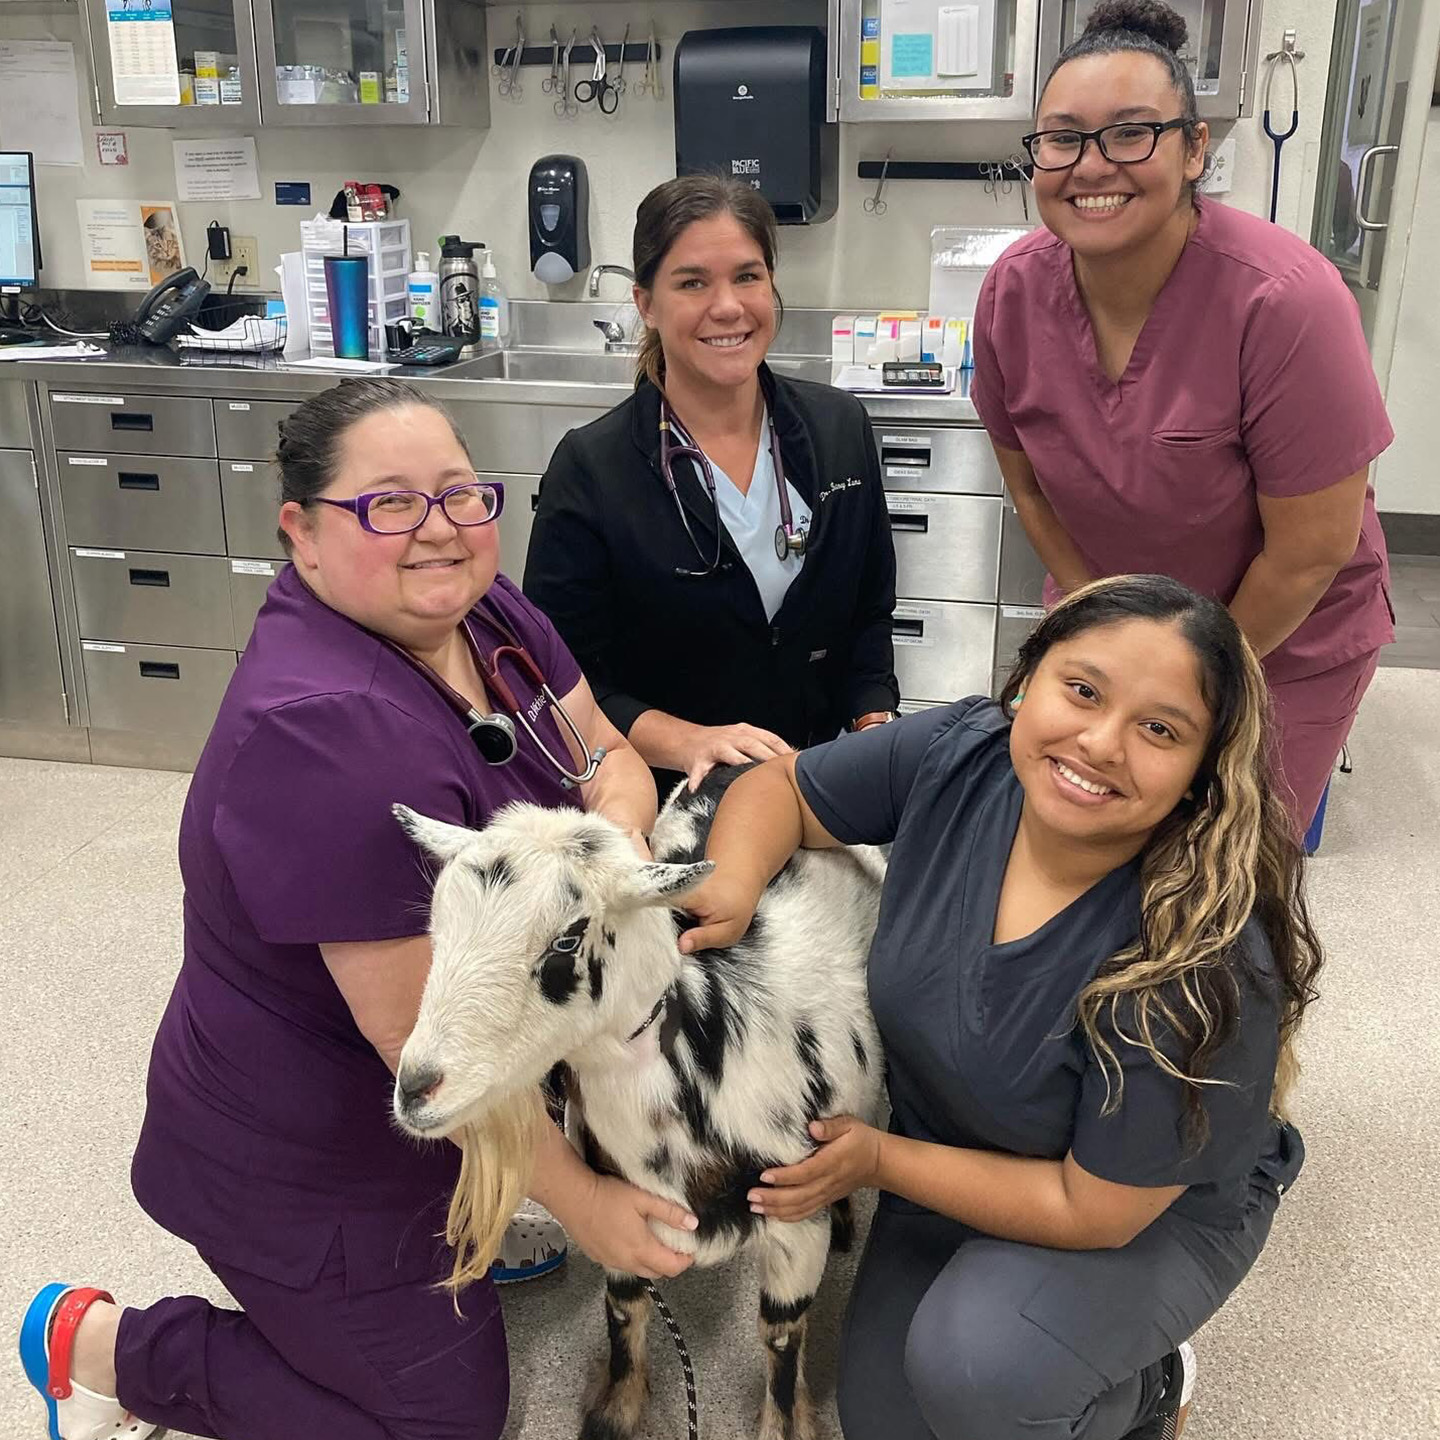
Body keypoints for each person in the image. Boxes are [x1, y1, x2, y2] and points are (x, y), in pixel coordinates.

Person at [20, 379, 699, 1440]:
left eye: (459, 495)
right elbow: (422, 1036)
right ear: (301, 531)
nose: (439, 531)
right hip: (307, 1151)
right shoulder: (326, 737)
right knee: (441, 1425)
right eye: (387, 505)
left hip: (424, 1114)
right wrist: (587, 1205)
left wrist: (614, 837)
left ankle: (456, 1220)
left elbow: (603, 752)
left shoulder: (479, 609)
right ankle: (104, 1346)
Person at [679, 574, 1321, 1440]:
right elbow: (782, 789)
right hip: (955, 1155)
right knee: (887, 1421)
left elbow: (1092, 1210)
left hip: (1141, 1206)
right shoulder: (961, 753)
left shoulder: (1199, 957)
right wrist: (735, 879)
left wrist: (877, 1162)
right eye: (1082, 690)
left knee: (980, 1373)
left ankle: (1145, 1390)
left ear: (1203, 771)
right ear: (1027, 680)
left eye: (1159, 729)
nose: (1099, 742)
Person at [970, 0, 1394, 834]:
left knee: (1224, 871)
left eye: (1133, 133)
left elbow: (1311, 551)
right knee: (1078, 844)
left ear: (1196, 148)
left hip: (1283, 637)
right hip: (1116, 619)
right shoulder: (1013, 291)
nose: (1093, 166)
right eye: (1062, 139)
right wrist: (1101, 625)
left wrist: (1184, 683)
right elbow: (1029, 484)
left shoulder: (1284, 301)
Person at [524, 175, 900, 797]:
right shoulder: (593, 468)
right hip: (667, 797)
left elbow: (868, 616)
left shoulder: (839, 428)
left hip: (819, 787)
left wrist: (873, 726)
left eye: (748, 276)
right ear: (646, 303)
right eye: (692, 282)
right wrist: (689, 739)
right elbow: (558, 681)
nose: (727, 307)